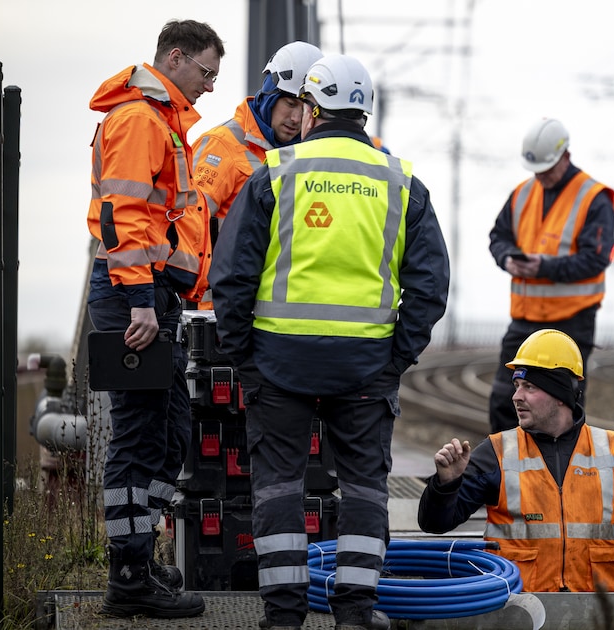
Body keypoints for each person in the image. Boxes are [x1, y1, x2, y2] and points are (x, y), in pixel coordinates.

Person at [210, 54, 450, 630]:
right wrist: (396, 357)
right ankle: (355, 615)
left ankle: (285, 617)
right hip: (365, 367)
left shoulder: (276, 171)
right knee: (366, 489)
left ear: (312, 110)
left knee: (277, 491)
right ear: (364, 113)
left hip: (278, 361)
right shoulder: (400, 182)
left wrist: (245, 353)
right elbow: (430, 286)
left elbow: (231, 276)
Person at [85, 19, 224, 619]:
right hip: (130, 296)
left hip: (151, 296)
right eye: (206, 72)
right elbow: (123, 214)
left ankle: (142, 555)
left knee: (168, 434)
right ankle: (129, 577)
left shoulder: (162, 123)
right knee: (139, 436)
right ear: (176, 57)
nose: (210, 87)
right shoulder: (141, 121)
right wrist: (142, 297)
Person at [417, 329, 614, 593]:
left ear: (560, 395)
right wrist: (446, 484)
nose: (516, 397)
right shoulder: (497, 452)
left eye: (529, 387)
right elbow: (435, 523)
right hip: (518, 611)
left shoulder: (610, 451)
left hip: (592, 612)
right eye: (516, 385)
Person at [486, 118, 614, 433]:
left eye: (547, 169)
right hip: (525, 320)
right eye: (536, 170)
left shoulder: (593, 198)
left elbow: (595, 258)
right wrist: (507, 259)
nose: (541, 177)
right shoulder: (522, 194)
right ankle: (505, 474)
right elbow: (498, 237)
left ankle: (561, 475)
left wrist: (542, 268)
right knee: (506, 399)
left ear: (565, 156)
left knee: (562, 408)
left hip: (571, 321)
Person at [190, 40, 323, 309]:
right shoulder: (222, 145)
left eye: (305, 108)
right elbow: (190, 226)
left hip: (269, 313)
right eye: (289, 104)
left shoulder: (304, 156)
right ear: (269, 96)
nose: (296, 118)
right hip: (217, 311)